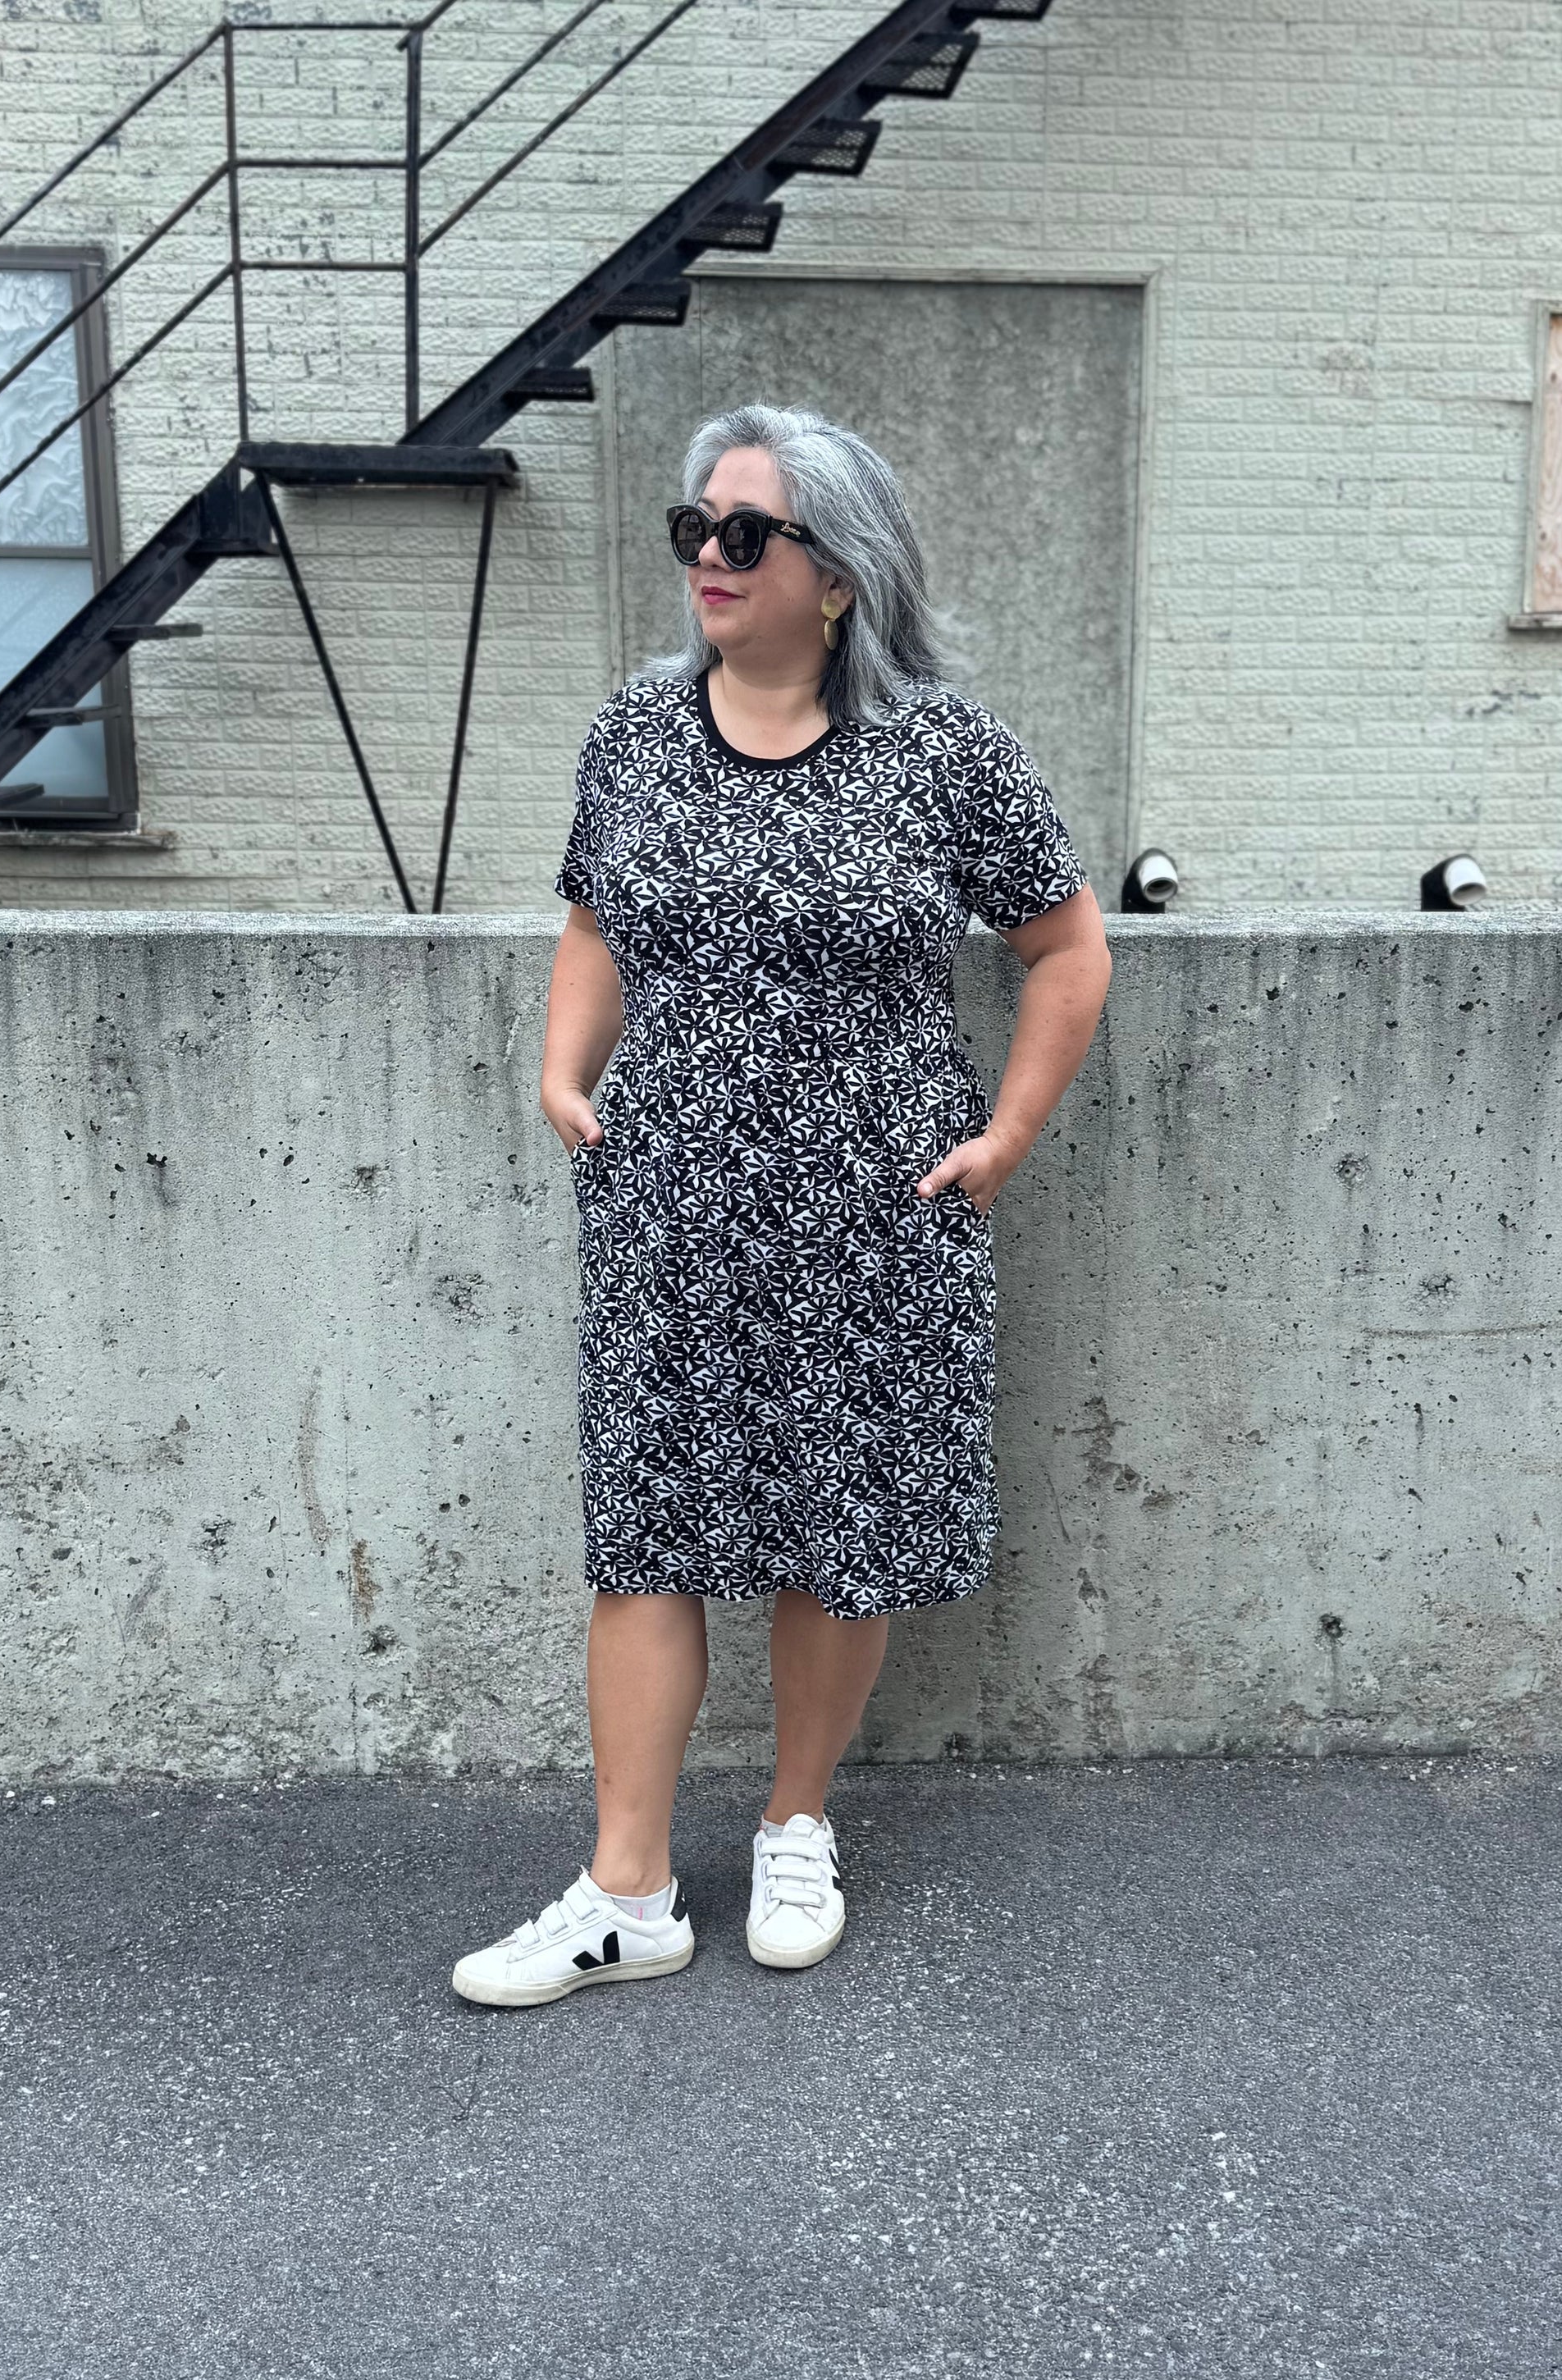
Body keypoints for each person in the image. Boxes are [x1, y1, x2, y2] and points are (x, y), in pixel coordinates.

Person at [451, 402, 1112, 2009]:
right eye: (695, 526)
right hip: (668, 1205)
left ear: (840, 572)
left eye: (746, 532)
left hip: (873, 1211)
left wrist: (1007, 1133)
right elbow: (594, 918)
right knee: (645, 1529)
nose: (710, 556)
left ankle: (795, 1822)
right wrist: (561, 1066)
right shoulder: (632, 732)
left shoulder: (944, 752)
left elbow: (1066, 947)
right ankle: (627, 1888)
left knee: (839, 1522)